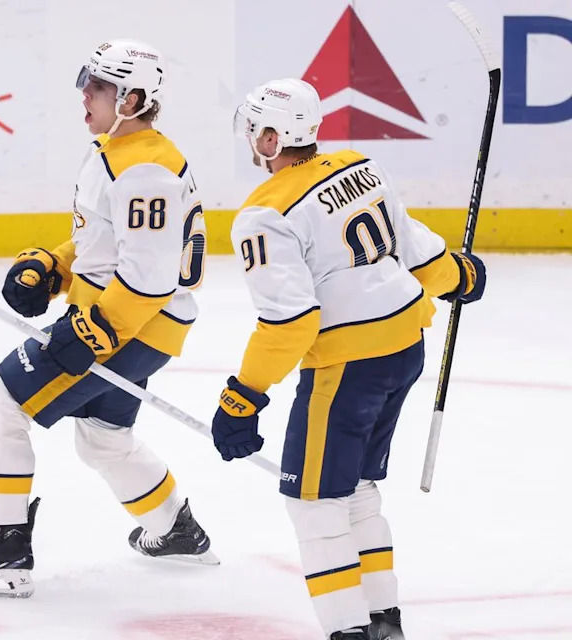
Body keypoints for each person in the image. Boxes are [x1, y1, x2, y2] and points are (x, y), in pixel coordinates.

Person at [0, 39, 216, 599]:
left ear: (134, 99)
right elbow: (107, 243)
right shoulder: (123, 151)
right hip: (138, 325)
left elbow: (149, 276)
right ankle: (173, 528)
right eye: (88, 80)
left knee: (1, 401)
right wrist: (54, 266)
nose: (85, 92)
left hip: (129, 326)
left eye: (101, 86)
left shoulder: (144, 170)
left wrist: (93, 331)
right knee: (104, 437)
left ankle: (7, 550)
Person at [212, 79, 487, 639]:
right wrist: (458, 275)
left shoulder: (264, 214)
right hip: (404, 348)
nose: (250, 141)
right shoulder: (358, 166)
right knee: (356, 488)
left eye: (255, 131)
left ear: (271, 137)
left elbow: (290, 322)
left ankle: (350, 632)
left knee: (314, 502)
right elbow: (411, 248)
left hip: (348, 367)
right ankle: (384, 625)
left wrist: (243, 395)